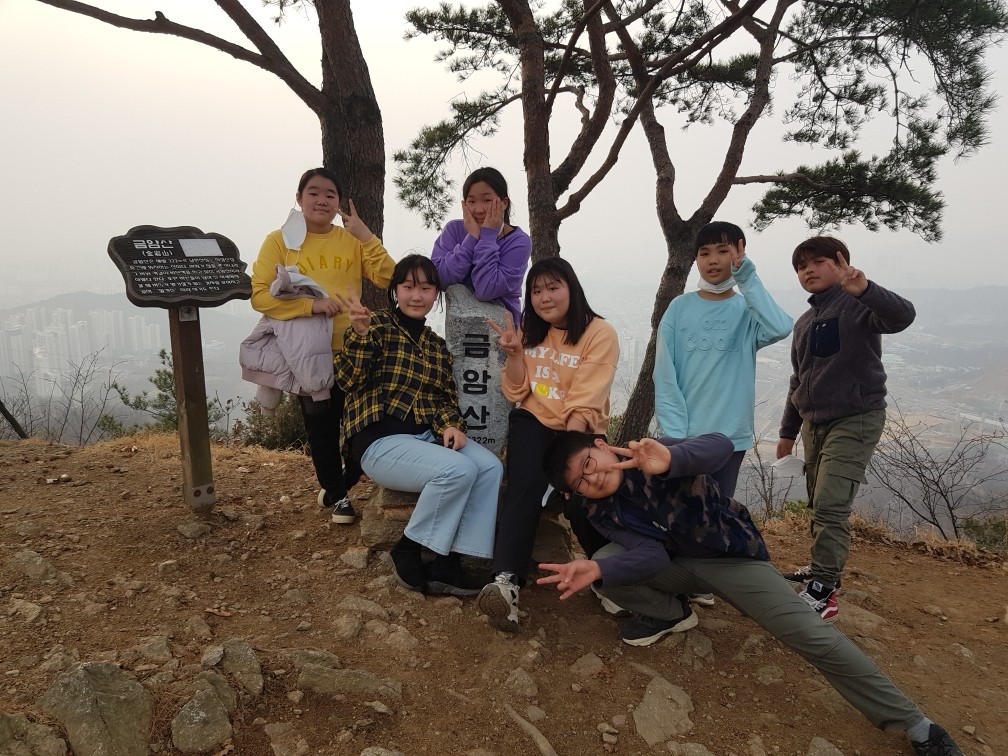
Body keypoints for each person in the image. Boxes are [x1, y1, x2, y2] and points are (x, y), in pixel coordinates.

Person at [537, 431, 963, 756]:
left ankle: (915, 725)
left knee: (808, 633)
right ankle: (672, 614)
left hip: (731, 559)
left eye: (590, 462)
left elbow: (720, 446)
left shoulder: (654, 453)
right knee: (609, 564)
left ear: (602, 445)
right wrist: (598, 569)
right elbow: (649, 554)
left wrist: (672, 459)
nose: (593, 477)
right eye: (581, 479)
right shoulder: (601, 510)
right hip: (678, 565)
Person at [333, 255, 503, 596]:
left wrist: (451, 425)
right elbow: (348, 381)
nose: (416, 295)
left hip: (424, 438)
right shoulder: (375, 327)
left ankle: (448, 563)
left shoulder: (436, 346)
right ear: (395, 290)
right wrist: (360, 334)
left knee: (489, 467)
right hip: (379, 440)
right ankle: (407, 549)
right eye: (408, 286)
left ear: (435, 293)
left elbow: (444, 398)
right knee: (458, 470)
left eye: (425, 288)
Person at [776, 236, 915, 621]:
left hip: (855, 417)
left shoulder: (858, 305)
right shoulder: (804, 323)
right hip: (813, 423)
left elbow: (902, 317)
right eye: (801, 266)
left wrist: (865, 289)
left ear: (841, 264)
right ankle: (823, 569)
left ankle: (824, 591)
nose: (808, 270)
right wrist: (787, 432)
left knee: (831, 502)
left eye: (818, 261)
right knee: (818, 501)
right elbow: (798, 379)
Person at [654, 221, 792, 606]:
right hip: (687, 436)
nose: (713, 260)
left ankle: (703, 584)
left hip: (730, 434)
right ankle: (673, 576)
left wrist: (747, 277)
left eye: (723, 251)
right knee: (679, 508)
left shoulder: (747, 310)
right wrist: (676, 434)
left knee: (715, 510)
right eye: (704, 253)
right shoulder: (680, 308)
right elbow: (665, 374)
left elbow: (781, 327)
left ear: (739, 253)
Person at [477, 257, 619, 631]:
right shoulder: (529, 331)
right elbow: (516, 391)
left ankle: (607, 574)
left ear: (572, 288)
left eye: (553, 287)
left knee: (582, 497)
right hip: (534, 421)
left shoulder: (599, 333)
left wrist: (568, 466)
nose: (544, 297)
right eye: (536, 291)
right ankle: (506, 582)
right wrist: (515, 355)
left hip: (579, 426)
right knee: (523, 487)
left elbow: (584, 402)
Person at [251, 167, 395, 526]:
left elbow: (390, 277)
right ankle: (339, 496)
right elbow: (259, 296)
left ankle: (341, 482)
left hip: (354, 351)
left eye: (330, 194)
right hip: (306, 355)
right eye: (313, 192)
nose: (321, 200)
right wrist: (311, 305)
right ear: (299, 198)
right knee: (322, 430)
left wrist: (366, 236)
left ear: (339, 202)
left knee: (365, 426)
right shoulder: (279, 241)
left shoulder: (351, 241)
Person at [431, 167, 531, 324]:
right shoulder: (453, 230)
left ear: (504, 203)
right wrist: (471, 239)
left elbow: (486, 289)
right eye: (471, 201)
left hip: (504, 331)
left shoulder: (519, 242)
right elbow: (440, 280)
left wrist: (488, 236)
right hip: (460, 329)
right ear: (464, 204)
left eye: (486, 200)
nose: (478, 210)